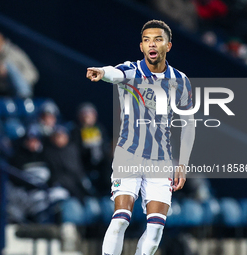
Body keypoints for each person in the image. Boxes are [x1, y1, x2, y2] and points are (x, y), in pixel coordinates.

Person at [86, 20, 195, 255]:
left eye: (157, 39)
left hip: (161, 160)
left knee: (156, 229)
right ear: (141, 46)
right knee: (121, 219)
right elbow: (114, 73)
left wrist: (182, 165)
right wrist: (102, 72)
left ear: (168, 45)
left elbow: (188, 126)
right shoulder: (132, 71)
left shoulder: (180, 81)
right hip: (129, 155)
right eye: (146, 40)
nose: (151, 44)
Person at [0, 32, 39, 98]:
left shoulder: (14, 53)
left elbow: (33, 73)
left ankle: (23, 96)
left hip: (21, 88)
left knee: (7, 65)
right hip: (0, 91)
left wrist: (19, 79)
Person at [71, 102, 111, 196]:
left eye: (90, 114)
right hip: (84, 167)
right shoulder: (76, 131)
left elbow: (105, 148)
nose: (87, 118)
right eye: (84, 115)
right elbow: (75, 153)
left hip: (101, 168)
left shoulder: (100, 129)